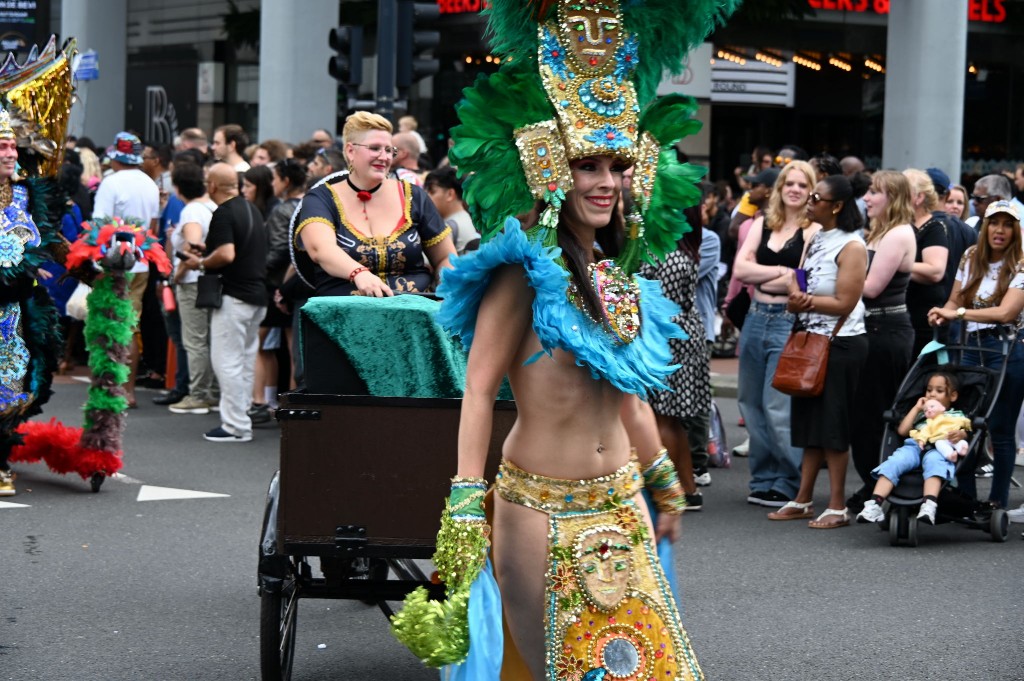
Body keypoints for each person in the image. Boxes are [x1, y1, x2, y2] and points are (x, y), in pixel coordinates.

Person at [388, 1, 728, 677]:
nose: (605, 183)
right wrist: (463, 499)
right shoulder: (520, 271)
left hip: (622, 500)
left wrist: (662, 479)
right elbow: (480, 388)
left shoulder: (615, 270)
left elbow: (628, 397)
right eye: (588, 166)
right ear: (551, 167)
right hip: (539, 509)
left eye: (616, 167)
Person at [767, 174, 868, 528]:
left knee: (833, 428)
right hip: (812, 339)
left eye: (816, 197)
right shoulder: (818, 236)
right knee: (810, 425)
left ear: (837, 206)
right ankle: (803, 499)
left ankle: (838, 506)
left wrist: (804, 301)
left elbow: (845, 302)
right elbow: (804, 276)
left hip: (841, 343)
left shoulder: (853, 246)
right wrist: (797, 291)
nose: (809, 201)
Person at [294, 111, 455, 297]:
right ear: (350, 151)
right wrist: (358, 273)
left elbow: (445, 257)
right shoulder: (320, 198)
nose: (384, 157)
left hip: (414, 313)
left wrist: (447, 287)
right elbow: (320, 249)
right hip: (344, 316)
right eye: (375, 148)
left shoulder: (414, 196)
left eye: (389, 150)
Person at [928, 200, 1024, 511]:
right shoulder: (971, 256)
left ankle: (997, 503)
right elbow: (953, 299)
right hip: (970, 347)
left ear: (1016, 230)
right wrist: (942, 315)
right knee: (961, 423)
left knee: (1000, 428)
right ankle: (966, 497)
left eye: (1008, 224)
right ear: (984, 226)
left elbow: (1007, 312)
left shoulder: (1021, 263)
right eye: (994, 222)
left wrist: (957, 313)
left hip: (1007, 348)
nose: (1000, 230)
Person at [733, 160, 819, 508]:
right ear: (780, 189)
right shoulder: (762, 223)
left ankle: (788, 481)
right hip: (756, 316)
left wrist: (766, 273)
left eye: (802, 184)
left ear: (811, 190)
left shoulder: (813, 231)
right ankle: (763, 478)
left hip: (787, 320)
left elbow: (801, 280)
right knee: (750, 402)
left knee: (778, 406)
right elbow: (740, 269)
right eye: (789, 184)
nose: (795, 190)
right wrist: (782, 270)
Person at [177, 163, 268, 443]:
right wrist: (209, 252)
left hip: (234, 296)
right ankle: (241, 418)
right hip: (256, 295)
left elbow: (227, 254)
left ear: (212, 186)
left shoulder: (224, 212)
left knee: (226, 361)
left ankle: (235, 426)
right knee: (244, 360)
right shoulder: (250, 209)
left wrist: (201, 262)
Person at [846, 170, 917, 511]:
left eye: (875, 193)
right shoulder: (879, 232)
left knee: (874, 415)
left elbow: (871, 289)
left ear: (894, 198)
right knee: (863, 416)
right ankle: (874, 484)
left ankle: (879, 487)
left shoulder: (898, 234)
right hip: (872, 330)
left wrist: (836, 284)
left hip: (885, 333)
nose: (867, 198)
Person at [93, 131, 161, 408]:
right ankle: (127, 390)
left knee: (109, 323)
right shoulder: (150, 184)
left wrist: (94, 264)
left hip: (111, 264)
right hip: (141, 262)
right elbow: (153, 229)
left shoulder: (110, 183)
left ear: (115, 158)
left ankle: (111, 389)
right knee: (131, 327)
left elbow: (98, 228)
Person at [857, 373, 971, 525]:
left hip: (939, 448)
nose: (932, 394)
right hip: (915, 446)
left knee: (935, 464)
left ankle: (929, 505)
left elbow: (966, 430)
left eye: (939, 390)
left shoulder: (955, 415)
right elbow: (903, 431)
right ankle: (874, 504)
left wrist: (961, 434)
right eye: (929, 390)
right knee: (895, 461)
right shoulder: (923, 414)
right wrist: (917, 408)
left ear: (953, 396)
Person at [249, 159, 305, 423]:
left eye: (275, 178)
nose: (272, 184)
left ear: (285, 180)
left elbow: (281, 250)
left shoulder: (284, 210)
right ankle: (286, 400)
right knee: (292, 346)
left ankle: (262, 400)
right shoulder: (307, 205)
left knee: (261, 344)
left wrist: (260, 271)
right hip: (294, 285)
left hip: (278, 285)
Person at [165, 160, 218, 415]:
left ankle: (198, 394)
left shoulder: (191, 211)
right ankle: (212, 392)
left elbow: (194, 245)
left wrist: (179, 271)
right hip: (210, 280)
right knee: (209, 338)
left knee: (195, 340)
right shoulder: (211, 206)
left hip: (192, 282)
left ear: (178, 187)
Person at [903, 168, 950, 355]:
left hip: (924, 318)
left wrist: (898, 264)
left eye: (903, 191)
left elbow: (935, 271)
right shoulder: (904, 226)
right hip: (906, 315)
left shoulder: (934, 228)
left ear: (919, 197)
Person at [424, 166, 480, 254]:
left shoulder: (446, 229)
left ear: (450, 194)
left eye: (432, 191)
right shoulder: (470, 220)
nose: (427, 197)